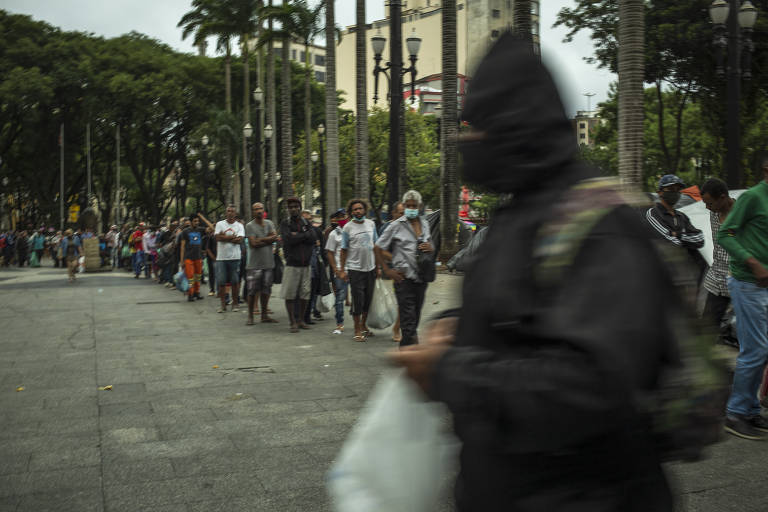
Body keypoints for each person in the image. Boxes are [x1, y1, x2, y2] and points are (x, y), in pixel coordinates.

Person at [392, 34, 682, 511]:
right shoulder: (524, 209)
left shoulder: (600, 223)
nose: (465, 140)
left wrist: (450, 371)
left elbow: (591, 388)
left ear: (514, 125)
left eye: (476, 126)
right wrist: (461, 326)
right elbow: (523, 314)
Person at [718, 158, 768, 440]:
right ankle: (734, 413)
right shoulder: (752, 197)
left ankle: (749, 409)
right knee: (755, 350)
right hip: (748, 283)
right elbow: (725, 235)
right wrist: (753, 262)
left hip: (765, 286)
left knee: (762, 350)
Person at [374, 190, 433, 347]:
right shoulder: (395, 225)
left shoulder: (425, 223)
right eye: (409, 205)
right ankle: (409, 350)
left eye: (414, 205)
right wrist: (387, 270)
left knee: (415, 316)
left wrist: (430, 247)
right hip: (403, 279)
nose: (411, 208)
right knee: (407, 320)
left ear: (419, 206)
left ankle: (409, 347)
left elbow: (430, 245)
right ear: (405, 205)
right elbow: (377, 247)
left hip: (421, 278)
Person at [701, 178, 736, 346]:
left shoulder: (743, 213)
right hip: (717, 279)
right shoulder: (714, 213)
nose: (707, 208)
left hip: (740, 279)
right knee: (706, 330)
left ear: (722, 197)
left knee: (747, 332)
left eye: (710, 203)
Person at [340, 199, 379, 341]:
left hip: (371, 268)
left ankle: (363, 325)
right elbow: (343, 250)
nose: (358, 211)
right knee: (358, 300)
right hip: (355, 268)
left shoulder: (371, 224)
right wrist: (342, 270)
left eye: (360, 208)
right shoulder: (347, 228)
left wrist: (379, 267)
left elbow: (376, 245)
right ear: (351, 212)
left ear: (364, 210)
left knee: (368, 299)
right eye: (355, 209)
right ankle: (357, 329)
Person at [646, 174, 705, 266]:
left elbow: (700, 239)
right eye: (671, 189)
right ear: (660, 192)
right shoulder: (653, 213)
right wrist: (687, 241)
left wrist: (677, 235)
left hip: (685, 271)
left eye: (678, 190)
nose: (675, 192)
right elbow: (670, 243)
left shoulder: (682, 216)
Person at [279, 197, 316, 332]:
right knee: (290, 294)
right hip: (292, 264)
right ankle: (292, 322)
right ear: (288, 209)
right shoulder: (285, 223)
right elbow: (288, 239)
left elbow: (313, 238)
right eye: (291, 207)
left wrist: (298, 235)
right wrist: (304, 235)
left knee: (304, 294)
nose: (294, 209)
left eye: (296, 206)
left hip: (306, 264)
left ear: (300, 207)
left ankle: (301, 320)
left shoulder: (306, 222)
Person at [244, 202, 279, 325]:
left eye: (260, 208)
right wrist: (268, 239)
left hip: (268, 263)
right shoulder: (249, 226)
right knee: (252, 291)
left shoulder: (270, 223)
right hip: (254, 264)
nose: (259, 211)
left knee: (266, 290)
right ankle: (250, 316)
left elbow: (275, 237)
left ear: (264, 210)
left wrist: (261, 239)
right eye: (256, 209)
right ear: (253, 212)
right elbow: (253, 244)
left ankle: (264, 315)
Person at [379, 201, 405, 342]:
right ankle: (397, 328)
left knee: (406, 302)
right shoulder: (387, 228)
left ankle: (399, 327)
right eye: (400, 213)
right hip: (396, 271)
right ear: (394, 213)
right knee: (402, 301)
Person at [214, 206, 245, 313]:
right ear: (225, 213)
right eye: (228, 211)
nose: (230, 213)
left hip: (235, 257)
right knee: (221, 282)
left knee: (235, 282)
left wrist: (224, 236)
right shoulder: (220, 224)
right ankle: (223, 305)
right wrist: (232, 237)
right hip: (221, 258)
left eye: (232, 211)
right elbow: (217, 238)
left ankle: (235, 304)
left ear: (235, 213)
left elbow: (240, 240)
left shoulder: (239, 225)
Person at [325, 209, 348, 335]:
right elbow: (329, 252)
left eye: (344, 216)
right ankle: (340, 323)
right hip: (340, 270)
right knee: (340, 298)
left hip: (356, 269)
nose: (342, 218)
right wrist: (336, 269)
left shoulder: (353, 231)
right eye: (339, 216)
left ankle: (361, 324)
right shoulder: (334, 234)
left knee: (360, 298)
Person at [179, 214, 205, 302]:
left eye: (198, 221)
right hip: (188, 258)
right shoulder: (185, 231)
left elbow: (212, 229)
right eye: (195, 221)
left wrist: (202, 218)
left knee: (198, 277)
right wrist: (182, 261)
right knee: (190, 278)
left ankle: (197, 293)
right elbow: (182, 247)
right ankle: (190, 294)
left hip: (198, 257)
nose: (197, 223)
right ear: (190, 222)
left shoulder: (200, 230)